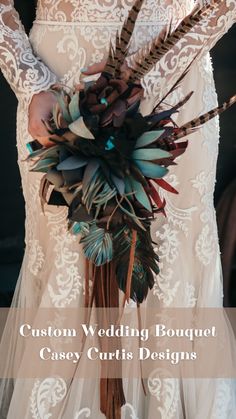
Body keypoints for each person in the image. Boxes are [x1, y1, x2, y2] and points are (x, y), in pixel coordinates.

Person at [0, 0, 236, 418]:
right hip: (57, 94)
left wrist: (158, 69)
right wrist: (30, 82)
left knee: (169, 271)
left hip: (174, 85)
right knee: (72, 268)